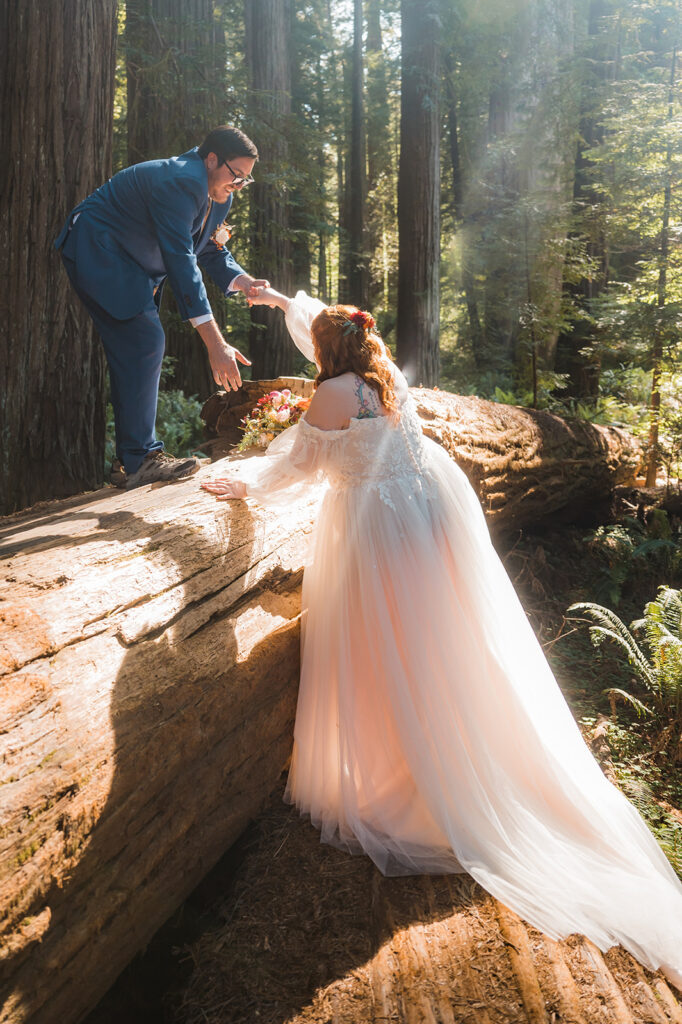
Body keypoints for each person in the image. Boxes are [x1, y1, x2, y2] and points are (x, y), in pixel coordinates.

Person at [201, 288, 682, 990]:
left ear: (325, 354)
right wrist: (279, 300)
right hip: (429, 512)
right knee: (434, 644)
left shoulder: (332, 393)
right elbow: (323, 331)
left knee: (380, 648)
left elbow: (298, 466)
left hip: (377, 525)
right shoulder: (385, 376)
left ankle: (403, 773)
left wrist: (242, 484)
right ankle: (438, 746)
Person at [55, 125, 269, 490]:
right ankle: (139, 459)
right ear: (211, 159)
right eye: (236, 176)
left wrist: (242, 280)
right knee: (144, 339)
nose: (238, 186)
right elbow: (181, 260)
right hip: (98, 248)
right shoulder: (181, 180)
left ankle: (131, 460)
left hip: (130, 263)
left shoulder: (219, 194)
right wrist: (215, 343)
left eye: (245, 181)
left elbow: (209, 248)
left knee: (141, 342)